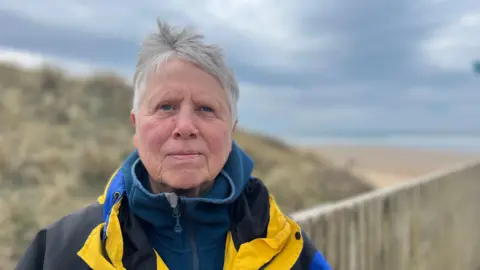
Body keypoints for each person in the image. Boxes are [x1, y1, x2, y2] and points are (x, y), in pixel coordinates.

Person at [16, 18, 331, 270]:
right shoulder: (60, 253)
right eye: (166, 106)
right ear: (136, 127)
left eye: (206, 109)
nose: (185, 127)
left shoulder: (288, 249)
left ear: (231, 130)